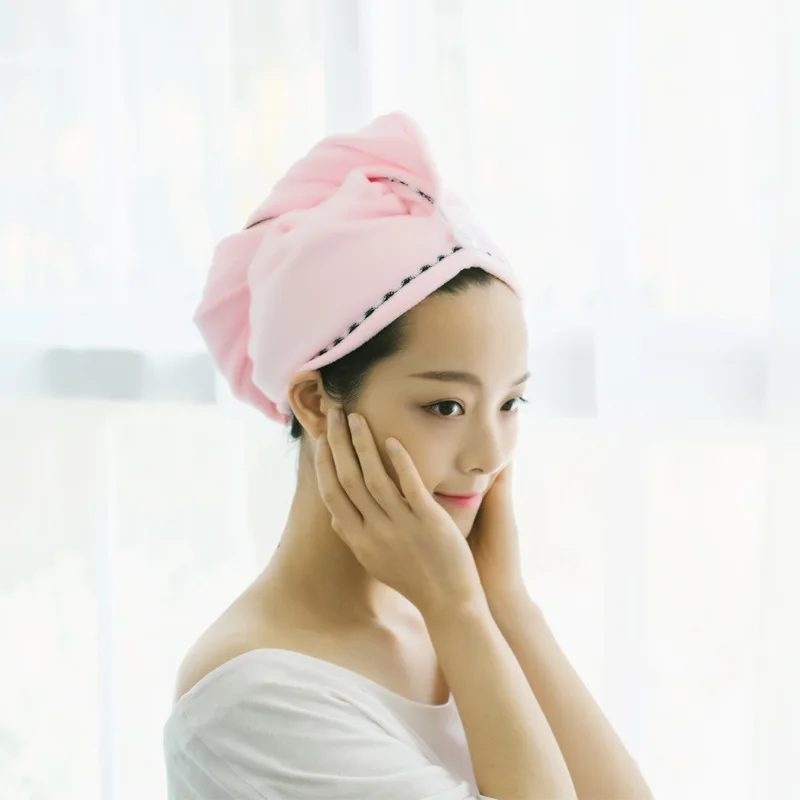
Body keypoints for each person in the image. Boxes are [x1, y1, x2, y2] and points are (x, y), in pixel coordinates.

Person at [162, 112, 579, 799]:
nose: (489, 456)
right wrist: (463, 611)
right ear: (316, 403)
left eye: (511, 403)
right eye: (446, 406)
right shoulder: (255, 701)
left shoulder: (456, 619)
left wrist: (506, 603)